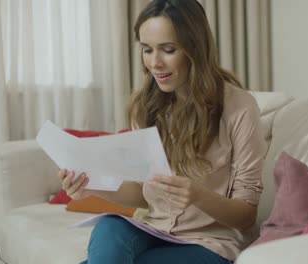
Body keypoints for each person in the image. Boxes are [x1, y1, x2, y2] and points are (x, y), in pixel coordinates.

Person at [58, 0, 266, 263]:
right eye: (147, 50)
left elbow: (246, 215)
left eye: (168, 50)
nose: (154, 63)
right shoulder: (145, 106)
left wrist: (197, 195)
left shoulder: (239, 108)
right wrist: (92, 187)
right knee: (109, 227)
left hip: (208, 244)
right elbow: (143, 194)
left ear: (195, 49)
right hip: (152, 230)